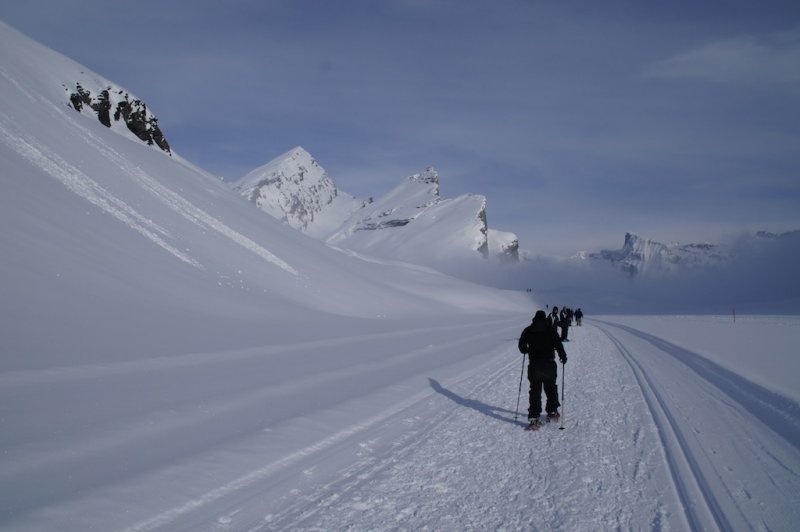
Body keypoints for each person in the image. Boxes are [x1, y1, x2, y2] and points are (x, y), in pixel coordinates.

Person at [518, 310, 568, 429]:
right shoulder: (550, 329)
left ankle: (534, 417)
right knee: (551, 388)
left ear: (535, 318)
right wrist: (563, 356)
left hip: (534, 365)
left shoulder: (528, 330)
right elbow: (558, 344)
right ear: (545, 318)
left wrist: (526, 350)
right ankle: (552, 412)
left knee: (535, 390)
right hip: (549, 365)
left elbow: (521, 346)